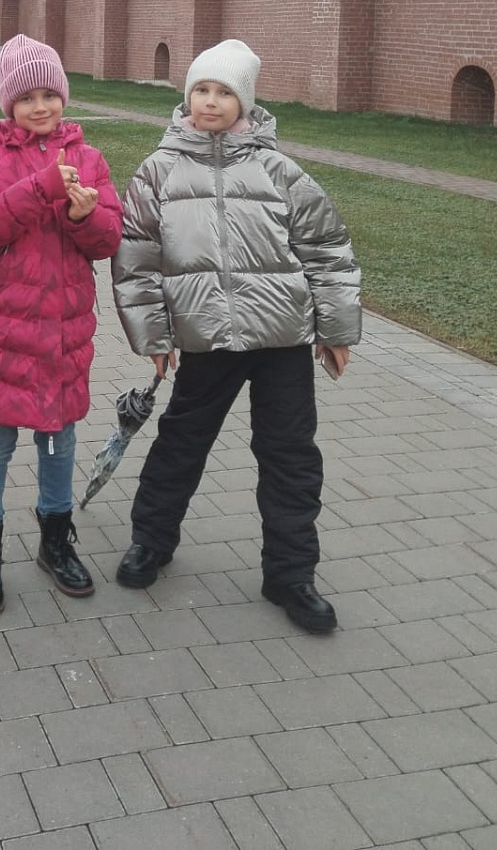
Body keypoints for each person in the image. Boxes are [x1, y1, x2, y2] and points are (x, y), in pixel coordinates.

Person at [112, 38, 360, 633]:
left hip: (281, 342)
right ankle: (151, 539)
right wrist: (154, 336)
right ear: (187, 95)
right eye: (201, 89)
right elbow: (137, 260)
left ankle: (292, 574)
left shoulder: (279, 171)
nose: (211, 102)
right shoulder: (159, 171)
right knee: (180, 442)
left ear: (244, 101)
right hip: (205, 342)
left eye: (224, 92)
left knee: (290, 455)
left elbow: (327, 250)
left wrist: (336, 328)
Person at [0, 34, 123, 615]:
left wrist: (85, 216)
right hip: (6, 333)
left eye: (50, 93)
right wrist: (41, 188)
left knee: (58, 442)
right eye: (26, 96)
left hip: (62, 334)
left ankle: (56, 541)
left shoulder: (90, 159)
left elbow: (108, 240)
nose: (41, 105)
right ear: (9, 103)